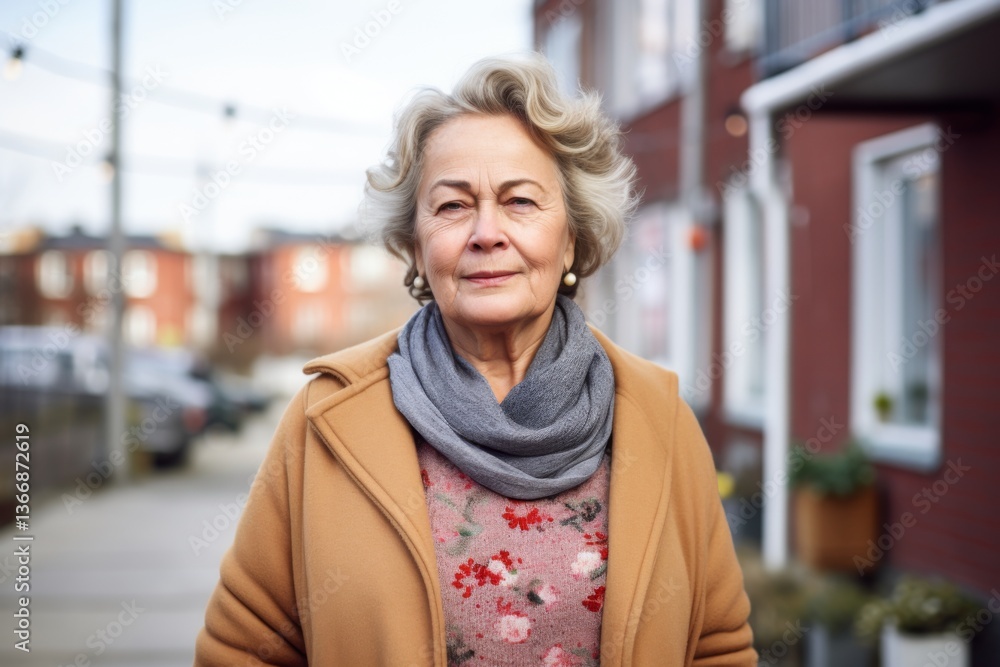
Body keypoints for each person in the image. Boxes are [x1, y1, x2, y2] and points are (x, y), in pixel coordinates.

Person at [195, 54, 755, 666]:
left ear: (572, 235)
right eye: (453, 206)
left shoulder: (659, 418)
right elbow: (243, 650)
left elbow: (716, 646)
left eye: (519, 201)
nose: (486, 232)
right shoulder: (324, 420)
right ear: (415, 244)